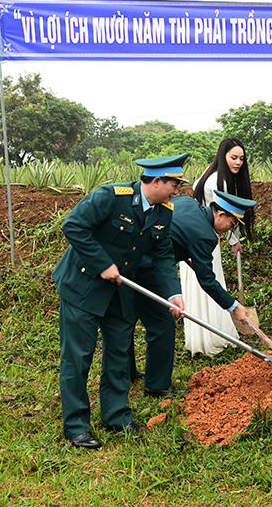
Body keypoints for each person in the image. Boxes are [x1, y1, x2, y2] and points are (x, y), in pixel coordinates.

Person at [52, 154, 188, 450]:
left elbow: (163, 255)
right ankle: (76, 426)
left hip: (121, 290)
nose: (177, 190)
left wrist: (173, 292)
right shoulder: (111, 197)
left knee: (118, 354)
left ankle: (116, 416)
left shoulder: (163, 212)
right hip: (84, 287)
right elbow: (73, 225)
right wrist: (102, 263)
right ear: (155, 181)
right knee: (78, 358)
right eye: (174, 184)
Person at [129, 191, 257, 397]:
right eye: (232, 224)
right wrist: (233, 307)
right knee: (162, 324)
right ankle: (157, 385)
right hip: (148, 268)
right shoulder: (205, 236)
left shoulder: (187, 202)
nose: (229, 230)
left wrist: (188, 256)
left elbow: (175, 234)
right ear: (220, 214)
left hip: (130, 256)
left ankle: (126, 371)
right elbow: (207, 281)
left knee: (127, 317)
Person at [184, 138, 255, 355]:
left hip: (198, 235)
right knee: (209, 282)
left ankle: (210, 334)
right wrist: (234, 240)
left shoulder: (211, 173)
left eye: (242, 159)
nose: (238, 162)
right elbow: (223, 214)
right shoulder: (219, 181)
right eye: (233, 157)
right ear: (223, 155)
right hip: (203, 237)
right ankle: (211, 338)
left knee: (205, 285)